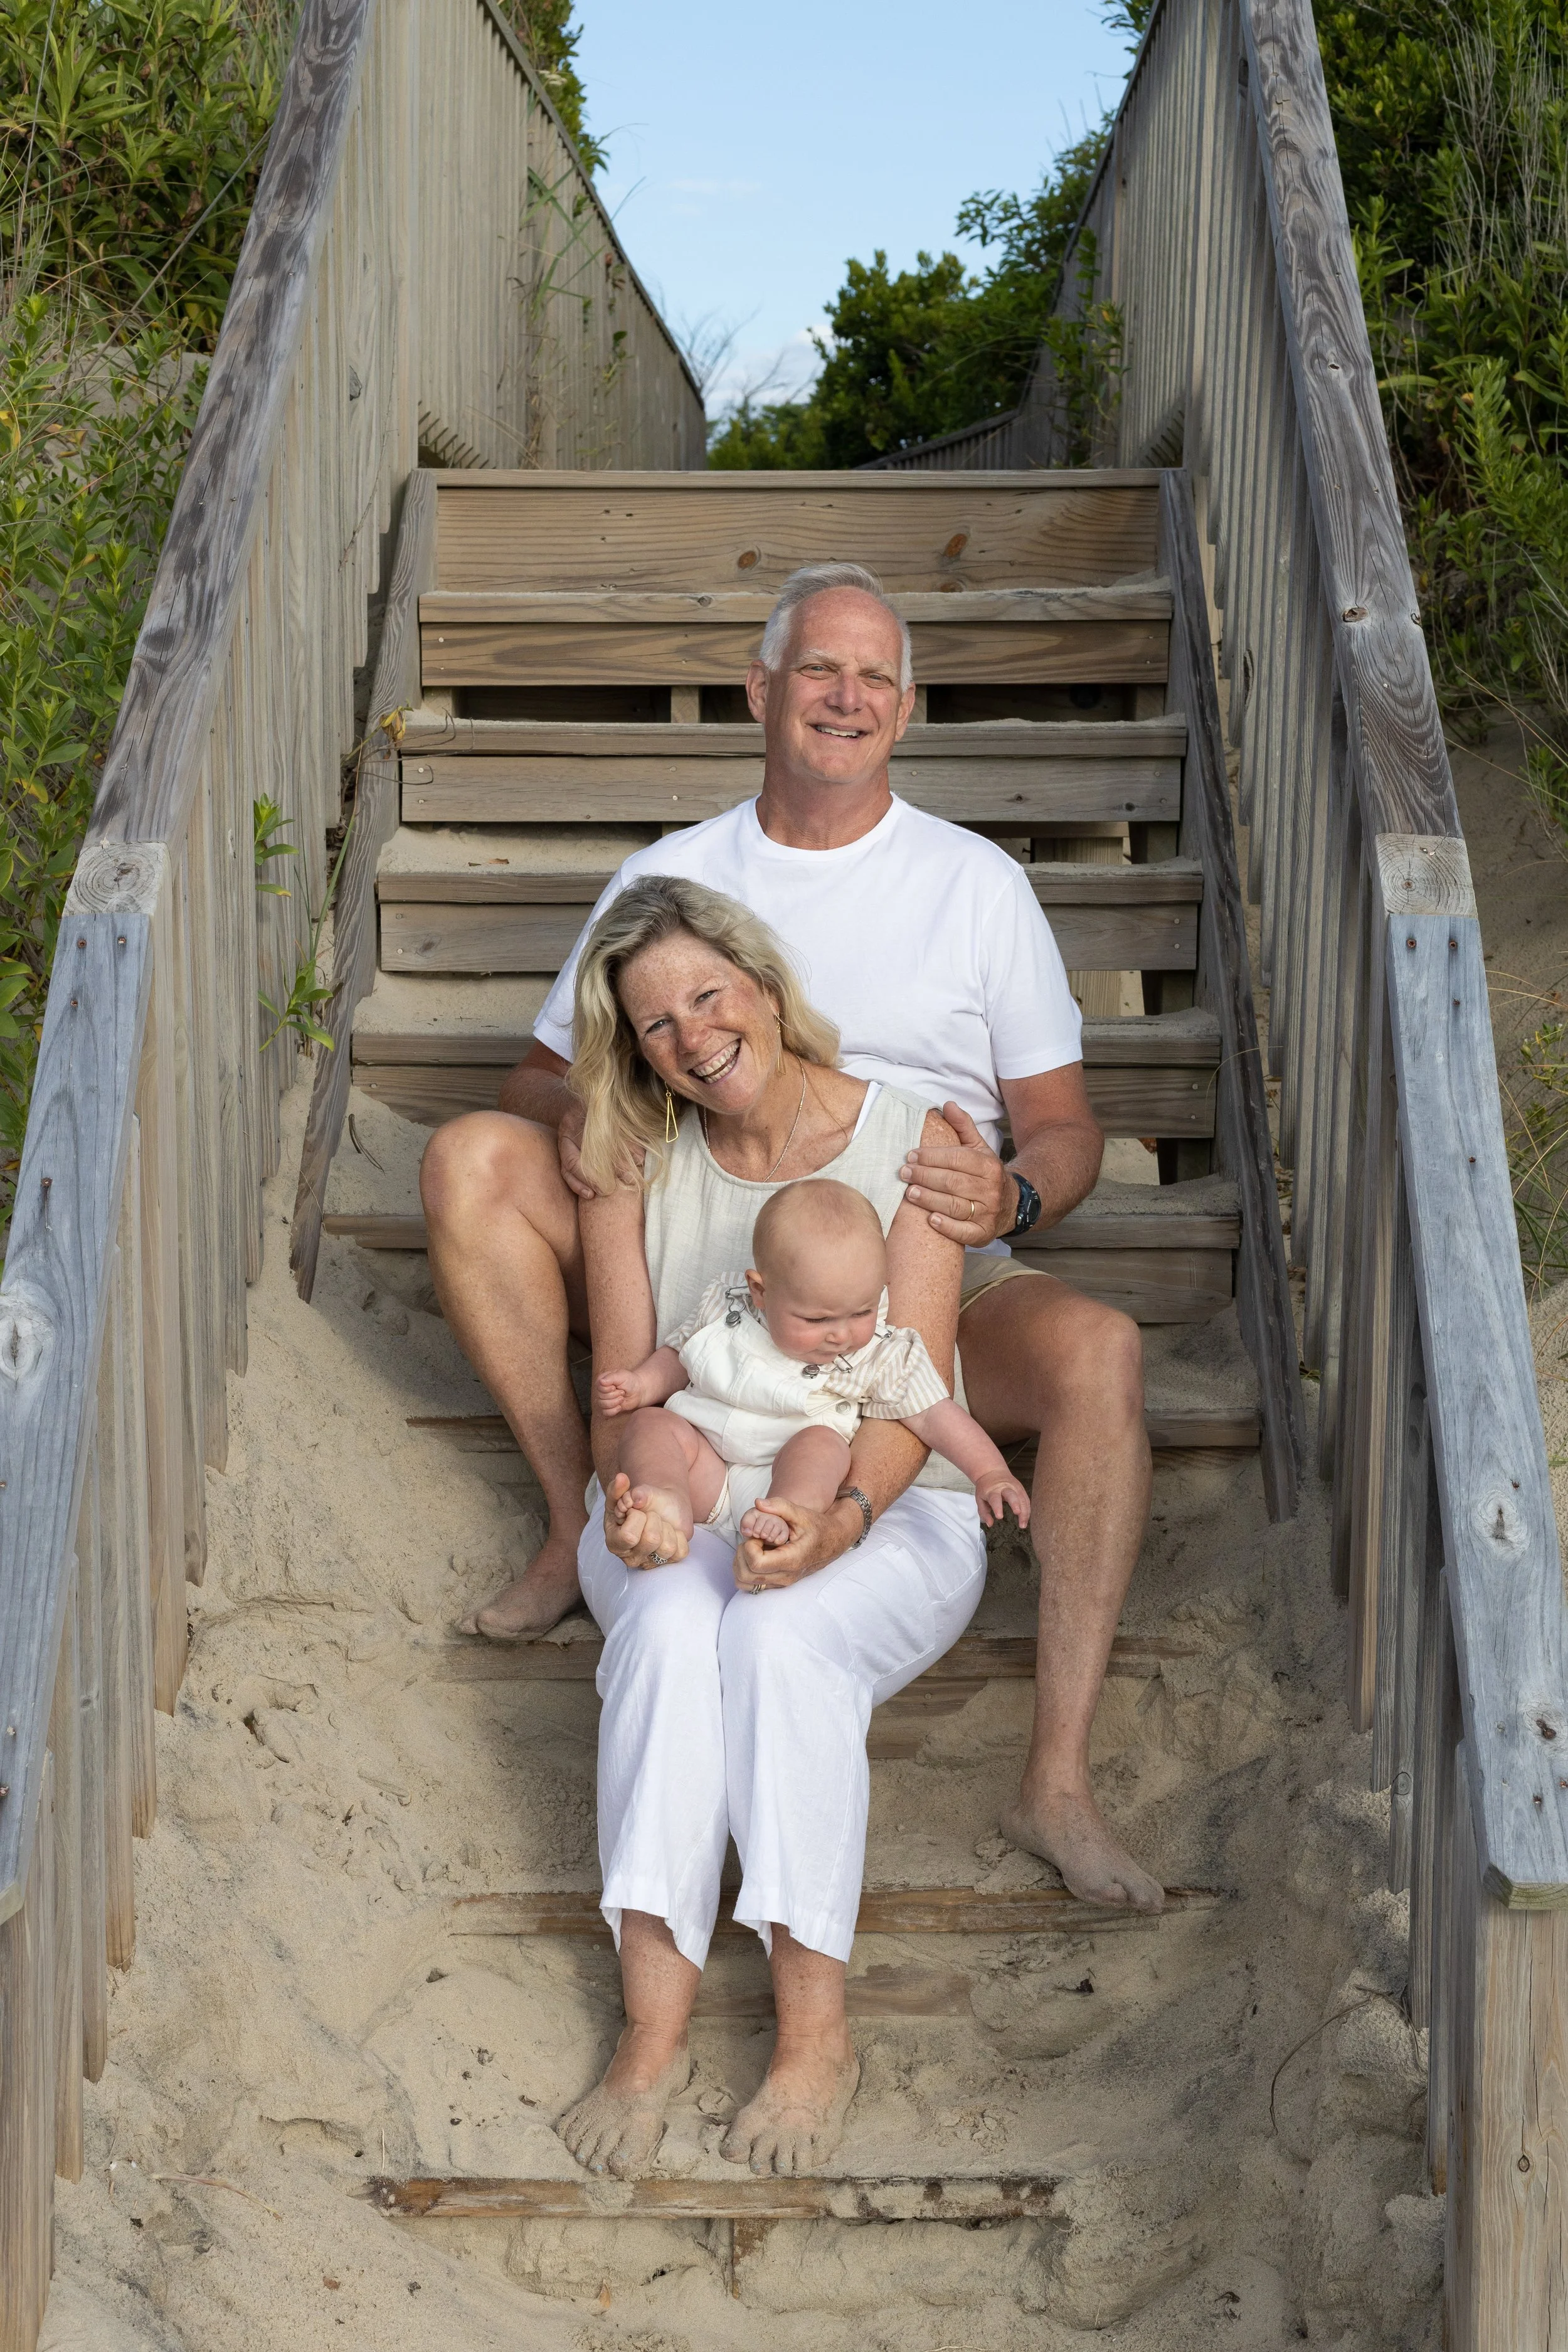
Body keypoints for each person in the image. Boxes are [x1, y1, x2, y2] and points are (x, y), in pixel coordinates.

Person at [420, 559, 1162, 1915]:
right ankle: (574, 1518)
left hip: (916, 1242)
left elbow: (1064, 1128)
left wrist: (1016, 1197)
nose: (847, 696)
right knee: (470, 1158)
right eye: (819, 668)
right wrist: (615, 1119)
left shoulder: (973, 883)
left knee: (1099, 1352)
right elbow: (546, 1082)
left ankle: (1055, 1775)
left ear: (908, 705)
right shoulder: (672, 875)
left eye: (875, 675)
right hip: (699, 1232)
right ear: (761, 691)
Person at [558, 875, 987, 2176]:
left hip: (880, 1499)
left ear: (759, 981)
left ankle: (812, 2038)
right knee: (676, 1638)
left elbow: (905, 1409)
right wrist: (642, 1509)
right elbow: (620, 1396)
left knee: (781, 1644)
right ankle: (651, 2034)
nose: (690, 1037)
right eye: (652, 1026)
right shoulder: (628, 1161)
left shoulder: (913, 1137)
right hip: (679, 1492)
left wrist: (837, 1520)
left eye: (706, 995)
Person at [596, 1175, 1031, 1552]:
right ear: (761, 1291)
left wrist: (989, 1471)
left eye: (861, 1311)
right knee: (650, 1427)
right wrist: (642, 1383)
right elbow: (681, 1354)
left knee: (823, 1445)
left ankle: (790, 1518)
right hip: (704, 1465)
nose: (841, 1334)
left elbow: (936, 1413)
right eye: (817, 1319)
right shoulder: (726, 1304)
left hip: (784, 1479)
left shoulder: (878, 1351)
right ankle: (665, 1501)